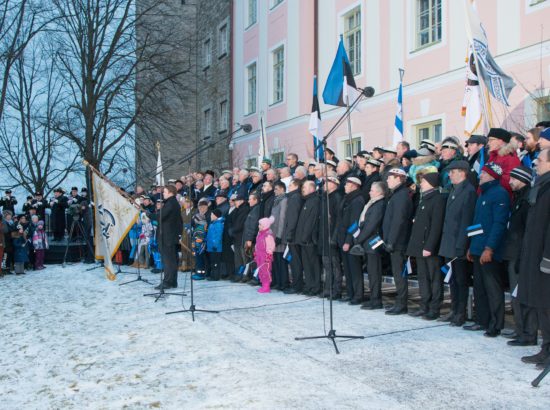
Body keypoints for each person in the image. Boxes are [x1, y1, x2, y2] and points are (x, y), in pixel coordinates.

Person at [466, 162, 510, 337]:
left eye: (483, 174)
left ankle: (496, 324)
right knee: (479, 287)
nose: (480, 176)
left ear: (492, 176)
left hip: (489, 251)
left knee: (492, 289)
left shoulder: (500, 194)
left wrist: (489, 248)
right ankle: (482, 320)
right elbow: (476, 223)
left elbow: (499, 224)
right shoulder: (482, 194)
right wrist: (472, 246)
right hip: (477, 249)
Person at [518, 149, 550, 370]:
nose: (535, 163)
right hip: (535, 255)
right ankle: (546, 348)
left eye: (539, 160)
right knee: (542, 306)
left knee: (548, 306)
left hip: (545, 260)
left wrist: (547, 258)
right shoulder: (542, 186)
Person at [438, 160, 477, 326]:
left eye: (452, 172)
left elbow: (466, 222)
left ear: (463, 172)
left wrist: (462, 245)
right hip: (449, 242)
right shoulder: (454, 190)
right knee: (452, 280)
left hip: (458, 244)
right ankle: (454, 310)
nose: (449, 174)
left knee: (461, 280)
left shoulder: (468, 191)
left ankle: (460, 313)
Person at [502, 166, 537, 346]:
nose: (510, 182)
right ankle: (520, 329)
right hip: (514, 254)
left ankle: (528, 333)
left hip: (521, 256)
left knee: (523, 296)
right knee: (517, 296)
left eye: (513, 179)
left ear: (522, 179)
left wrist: (523, 257)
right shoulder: (518, 198)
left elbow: (526, 232)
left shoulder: (527, 200)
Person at [406, 170, 445, 320]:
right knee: (423, 278)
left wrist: (429, 246)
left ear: (430, 183)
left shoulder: (437, 199)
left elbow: (436, 226)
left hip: (429, 248)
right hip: (419, 246)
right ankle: (424, 305)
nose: (420, 184)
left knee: (434, 278)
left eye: (423, 181)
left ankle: (434, 308)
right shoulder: (425, 198)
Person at [382, 168, 413, 315]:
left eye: (390, 177)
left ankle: (402, 303)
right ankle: (400, 302)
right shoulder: (397, 194)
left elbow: (398, 221)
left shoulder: (401, 196)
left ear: (399, 178)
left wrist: (391, 241)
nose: (387, 180)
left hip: (398, 242)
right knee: (397, 274)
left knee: (399, 274)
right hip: (395, 241)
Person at [354, 181, 386, 310]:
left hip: (373, 241)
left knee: (375, 272)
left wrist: (359, 239)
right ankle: (373, 298)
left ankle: (376, 299)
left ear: (379, 192)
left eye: (372, 190)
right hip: (367, 241)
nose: (369, 192)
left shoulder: (379, 204)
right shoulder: (373, 203)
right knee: (372, 272)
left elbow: (371, 225)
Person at [335, 176, 365, 304]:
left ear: (354, 185)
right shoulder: (347, 199)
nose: (345, 186)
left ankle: (358, 295)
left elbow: (354, 223)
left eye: (347, 184)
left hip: (351, 240)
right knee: (347, 269)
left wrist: (348, 241)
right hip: (343, 238)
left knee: (354, 269)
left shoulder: (357, 200)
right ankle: (350, 293)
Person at [318, 175, 343, 299]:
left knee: (334, 264)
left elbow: (338, 219)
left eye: (327, 182)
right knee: (327, 264)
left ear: (334, 184)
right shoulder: (325, 198)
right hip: (324, 235)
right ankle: (328, 288)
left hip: (332, 235)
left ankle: (336, 290)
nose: (324, 185)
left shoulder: (336, 197)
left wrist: (334, 237)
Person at [154, 185, 183, 290]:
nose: (163, 193)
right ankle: (172, 282)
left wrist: (149, 215)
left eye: (165, 192)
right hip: (169, 236)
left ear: (171, 192)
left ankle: (167, 282)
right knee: (171, 260)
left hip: (167, 237)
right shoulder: (172, 203)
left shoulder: (170, 204)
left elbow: (160, 217)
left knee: (168, 261)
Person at [295, 180, 321, 296]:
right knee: (306, 264)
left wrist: (305, 236)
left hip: (309, 240)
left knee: (313, 264)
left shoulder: (315, 201)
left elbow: (311, 221)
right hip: (303, 239)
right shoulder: (307, 200)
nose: (302, 189)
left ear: (312, 188)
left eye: (305, 187)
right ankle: (309, 285)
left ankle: (315, 287)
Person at [283, 179, 304, 294]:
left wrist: (289, 233)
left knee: (295, 262)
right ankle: (296, 284)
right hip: (293, 234)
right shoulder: (293, 197)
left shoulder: (295, 197)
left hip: (294, 236)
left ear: (296, 186)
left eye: (290, 185)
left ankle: (297, 285)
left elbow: (292, 217)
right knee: (294, 261)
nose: (288, 187)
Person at [486, 127, 520, 197]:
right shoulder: (494, 155)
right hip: (490, 195)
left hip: (500, 197)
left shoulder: (510, 158)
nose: (488, 143)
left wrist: (489, 180)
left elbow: (511, 181)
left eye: (491, 140)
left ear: (500, 141)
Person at [270, 181, 289, 290]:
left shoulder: (284, 200)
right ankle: (277, 281)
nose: (275, 191)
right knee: (275, 260)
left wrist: (279, 236)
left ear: (282, 189)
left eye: (276, 189)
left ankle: (284, 283)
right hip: (273, 234)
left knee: (281, 261)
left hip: (279, 235)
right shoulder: (276, 200)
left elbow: (282, 219)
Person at [254, 216, 276, 293]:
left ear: (265, 226)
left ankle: (266, 286)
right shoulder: (259, 234)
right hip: (259, 255)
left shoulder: (268, 235)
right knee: (260, 270)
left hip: (265, 256)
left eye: (260, 225)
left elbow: (271, 246)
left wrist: (269, 256)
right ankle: (263, 284)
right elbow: (257, 244)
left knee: (265, 271)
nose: (258, 226)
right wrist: (255, 253)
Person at [206, 209, 225, 281]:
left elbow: (218, 236)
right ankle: (213, 275)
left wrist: (215, 245)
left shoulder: (218, 224)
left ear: (215, 216)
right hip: (211, 247)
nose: (210, 216)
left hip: (215, 248)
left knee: (215, 263)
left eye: (212, 214)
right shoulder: (213, 223)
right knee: (212, 262)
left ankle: (215, 277)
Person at [191, 213, 208, 280]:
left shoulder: (200, 227)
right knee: (199, 261)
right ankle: (200, 273)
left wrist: (196, 247)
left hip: (199, 248)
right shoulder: (200, 226)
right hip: (199, 248)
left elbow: (199, 239)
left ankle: (200, 274)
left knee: (199, 261)